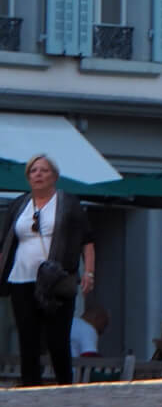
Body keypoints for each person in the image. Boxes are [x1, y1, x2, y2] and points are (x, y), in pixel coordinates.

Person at [0, 152, 95, 385]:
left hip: (56, 279)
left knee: (57, 338)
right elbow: (5, 244)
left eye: (44, 170)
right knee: (27, 337)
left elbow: (87, 241)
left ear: (54, 176)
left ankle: (64, 386)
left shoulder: (68, 203)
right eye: (33, 171)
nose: (38, 174)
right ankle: (30, 387)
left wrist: (89, 272)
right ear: (28, 178)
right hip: (21, 278)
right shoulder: (18, 205)